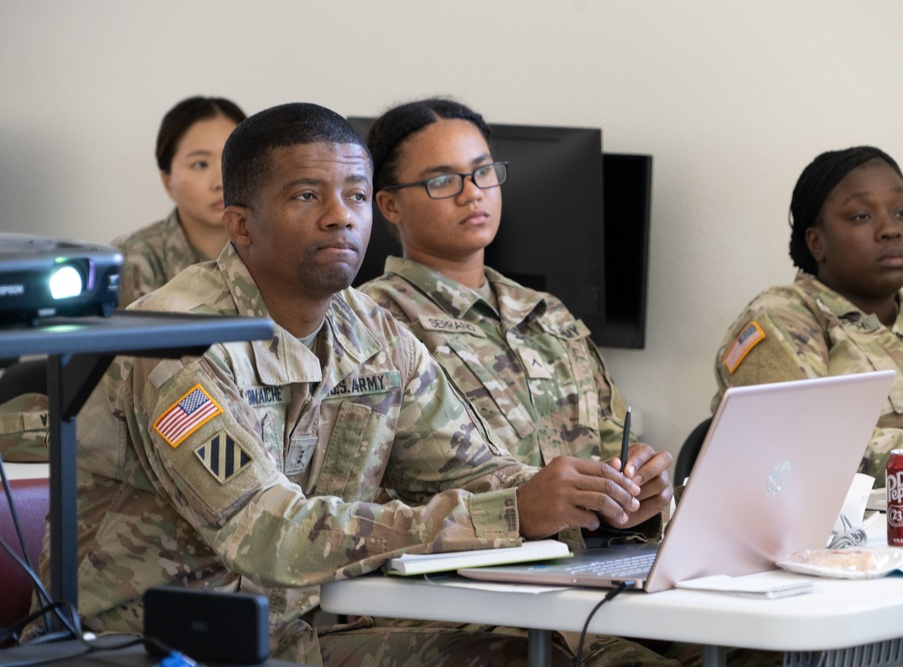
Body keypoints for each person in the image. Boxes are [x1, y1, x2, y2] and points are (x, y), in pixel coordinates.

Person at [38, 102, 670, 667]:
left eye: (358, 195)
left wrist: (593, 501)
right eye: (307, 196)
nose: (342, 218)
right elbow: (269, 536)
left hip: (307, 627)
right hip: (163, 646)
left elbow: (471, 472)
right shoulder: (177, 342)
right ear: (241, 224)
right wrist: (509, 513)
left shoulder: (373, 332)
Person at [358, 98, 671, 536]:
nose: (472, 193)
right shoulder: (370, 322)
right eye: (444, 181)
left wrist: (636, 487)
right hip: (451, 589)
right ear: (389, 206)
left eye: (483, 171)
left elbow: (608, 440)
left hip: (575, 580)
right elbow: (354, 504)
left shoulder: (548, 314)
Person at [712, 146, 903, 486]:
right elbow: (791, 450)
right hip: (846, 532)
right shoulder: (783, 318)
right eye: (861, 216)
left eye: (901, 212)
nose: (890, 230)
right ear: (816, 242)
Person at [111, 96, 246, 307]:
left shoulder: (277, 247)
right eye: (200, 164)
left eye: (231, 161)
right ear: (168, 182)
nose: (220, 182)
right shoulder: (133, 256)